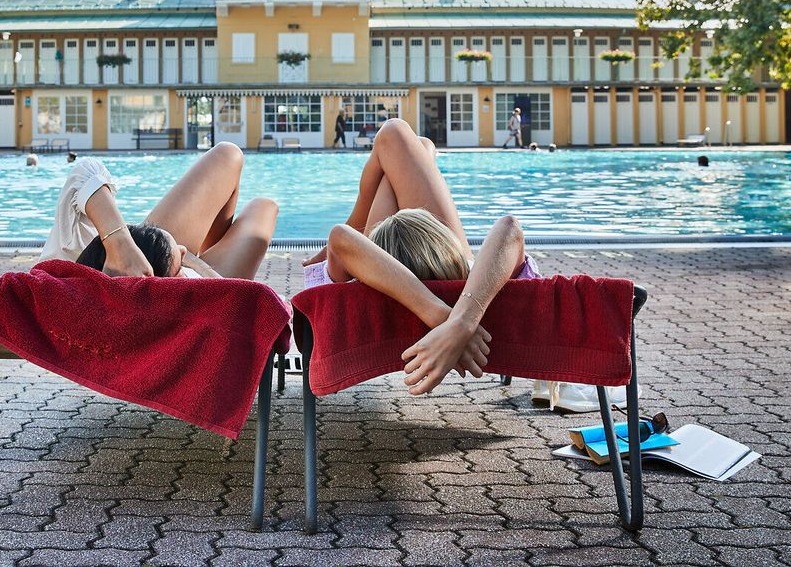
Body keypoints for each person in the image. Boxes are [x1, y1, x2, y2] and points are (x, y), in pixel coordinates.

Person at [302, 119, 542, 391]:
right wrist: (460, 322)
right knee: (401, 142)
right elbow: (509, 228)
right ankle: (423, 153)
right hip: (452, 270)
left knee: (398, 141)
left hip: (387, 269)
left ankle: (423, 153)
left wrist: (440, 315)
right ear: (444, 238)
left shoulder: (361, 273)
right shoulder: (482, 276)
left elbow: (340, 237)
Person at [38, 142, 277, 280]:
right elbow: (84, 172)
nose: (183, 250)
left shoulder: (68, 277)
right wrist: (200, 267)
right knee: (265, 205)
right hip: (204, 283)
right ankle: (201, 254)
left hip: (156, 269)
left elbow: (84, 172)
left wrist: (120, 244)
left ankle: (197, 253)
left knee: (231, 159)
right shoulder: (198, 289)